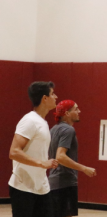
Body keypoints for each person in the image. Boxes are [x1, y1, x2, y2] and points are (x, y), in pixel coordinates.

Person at [8, 81, 59, 217]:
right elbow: (14, 152)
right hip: (23, 187)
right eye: (53, 94)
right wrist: (42, 163)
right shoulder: (29, 121)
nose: (56, 97)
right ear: (44, 98)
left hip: (41, 187)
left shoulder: (43, 122)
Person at [48, 100, 97, 217]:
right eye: (76, 109)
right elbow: (60, 156)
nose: (79, 111)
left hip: (53, 183)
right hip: (65, 183)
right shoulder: (68, 130)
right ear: (67, 113)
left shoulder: (53, 129)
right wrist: (84, 168)